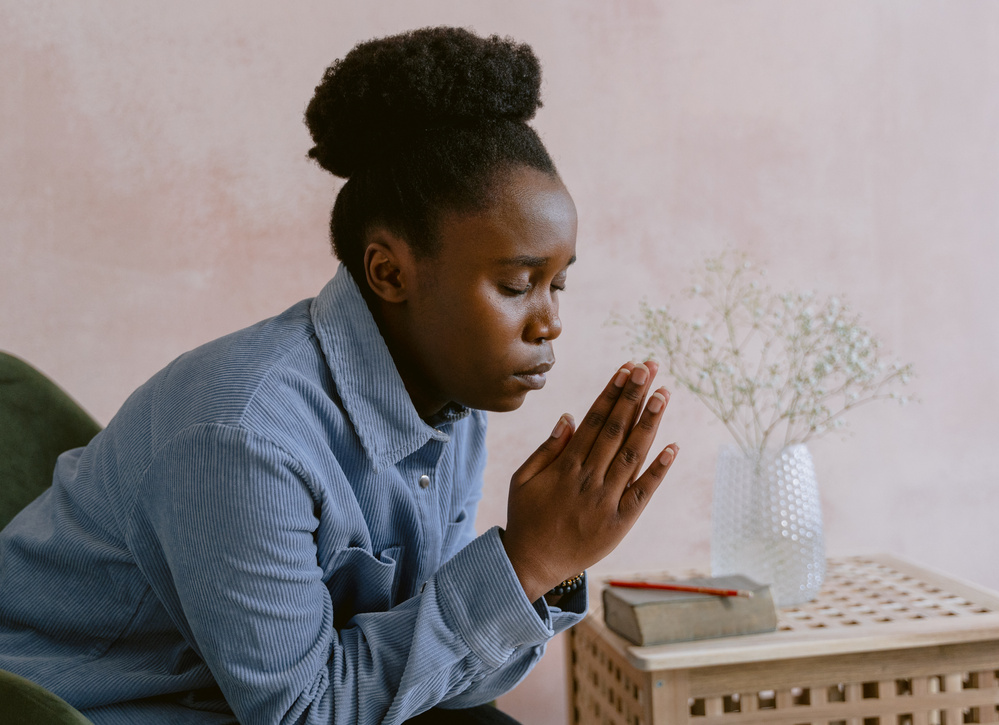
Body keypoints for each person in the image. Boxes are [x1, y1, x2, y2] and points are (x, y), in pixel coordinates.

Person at [0, 27, 677, 724]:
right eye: (515, 284)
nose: (549, 321)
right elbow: (302, 712)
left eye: (557, 284)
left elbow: (418, 669)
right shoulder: (242, 434)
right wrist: (524, 562)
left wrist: (545, 562)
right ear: (389, 272)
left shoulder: (450, 404)